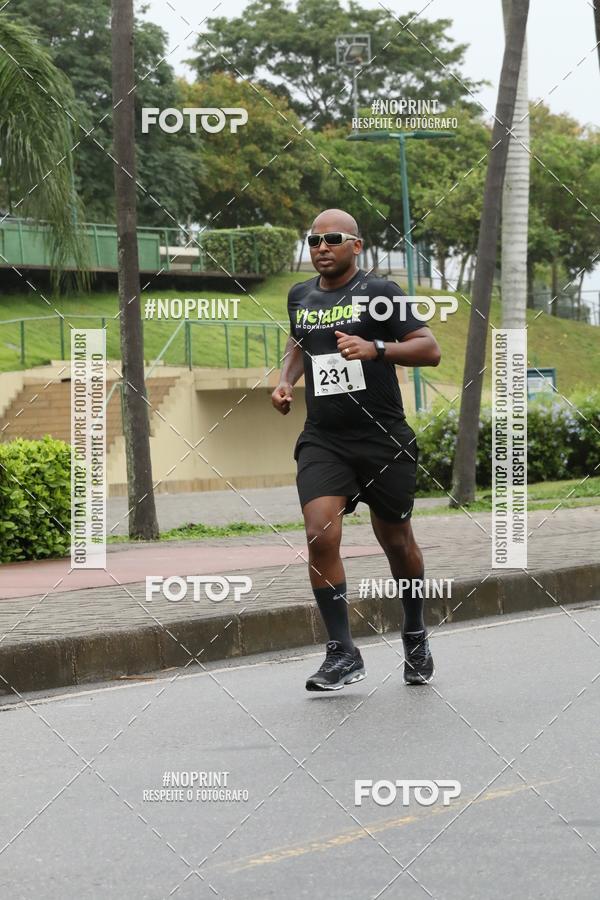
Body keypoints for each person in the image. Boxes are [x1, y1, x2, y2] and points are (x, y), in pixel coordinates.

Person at [271, 209, 441, 691]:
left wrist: (377, 349)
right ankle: (343, 652)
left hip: (382, 437)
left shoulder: (380, 293)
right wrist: (285, 382)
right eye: (313, 240)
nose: (321, 247)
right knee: (319, 534)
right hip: (324, 438)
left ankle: (414, 631)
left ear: (356, 246)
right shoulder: (299, 295)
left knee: (397, 542)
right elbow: (300, 342)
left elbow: (428, 349)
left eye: (332, 239)